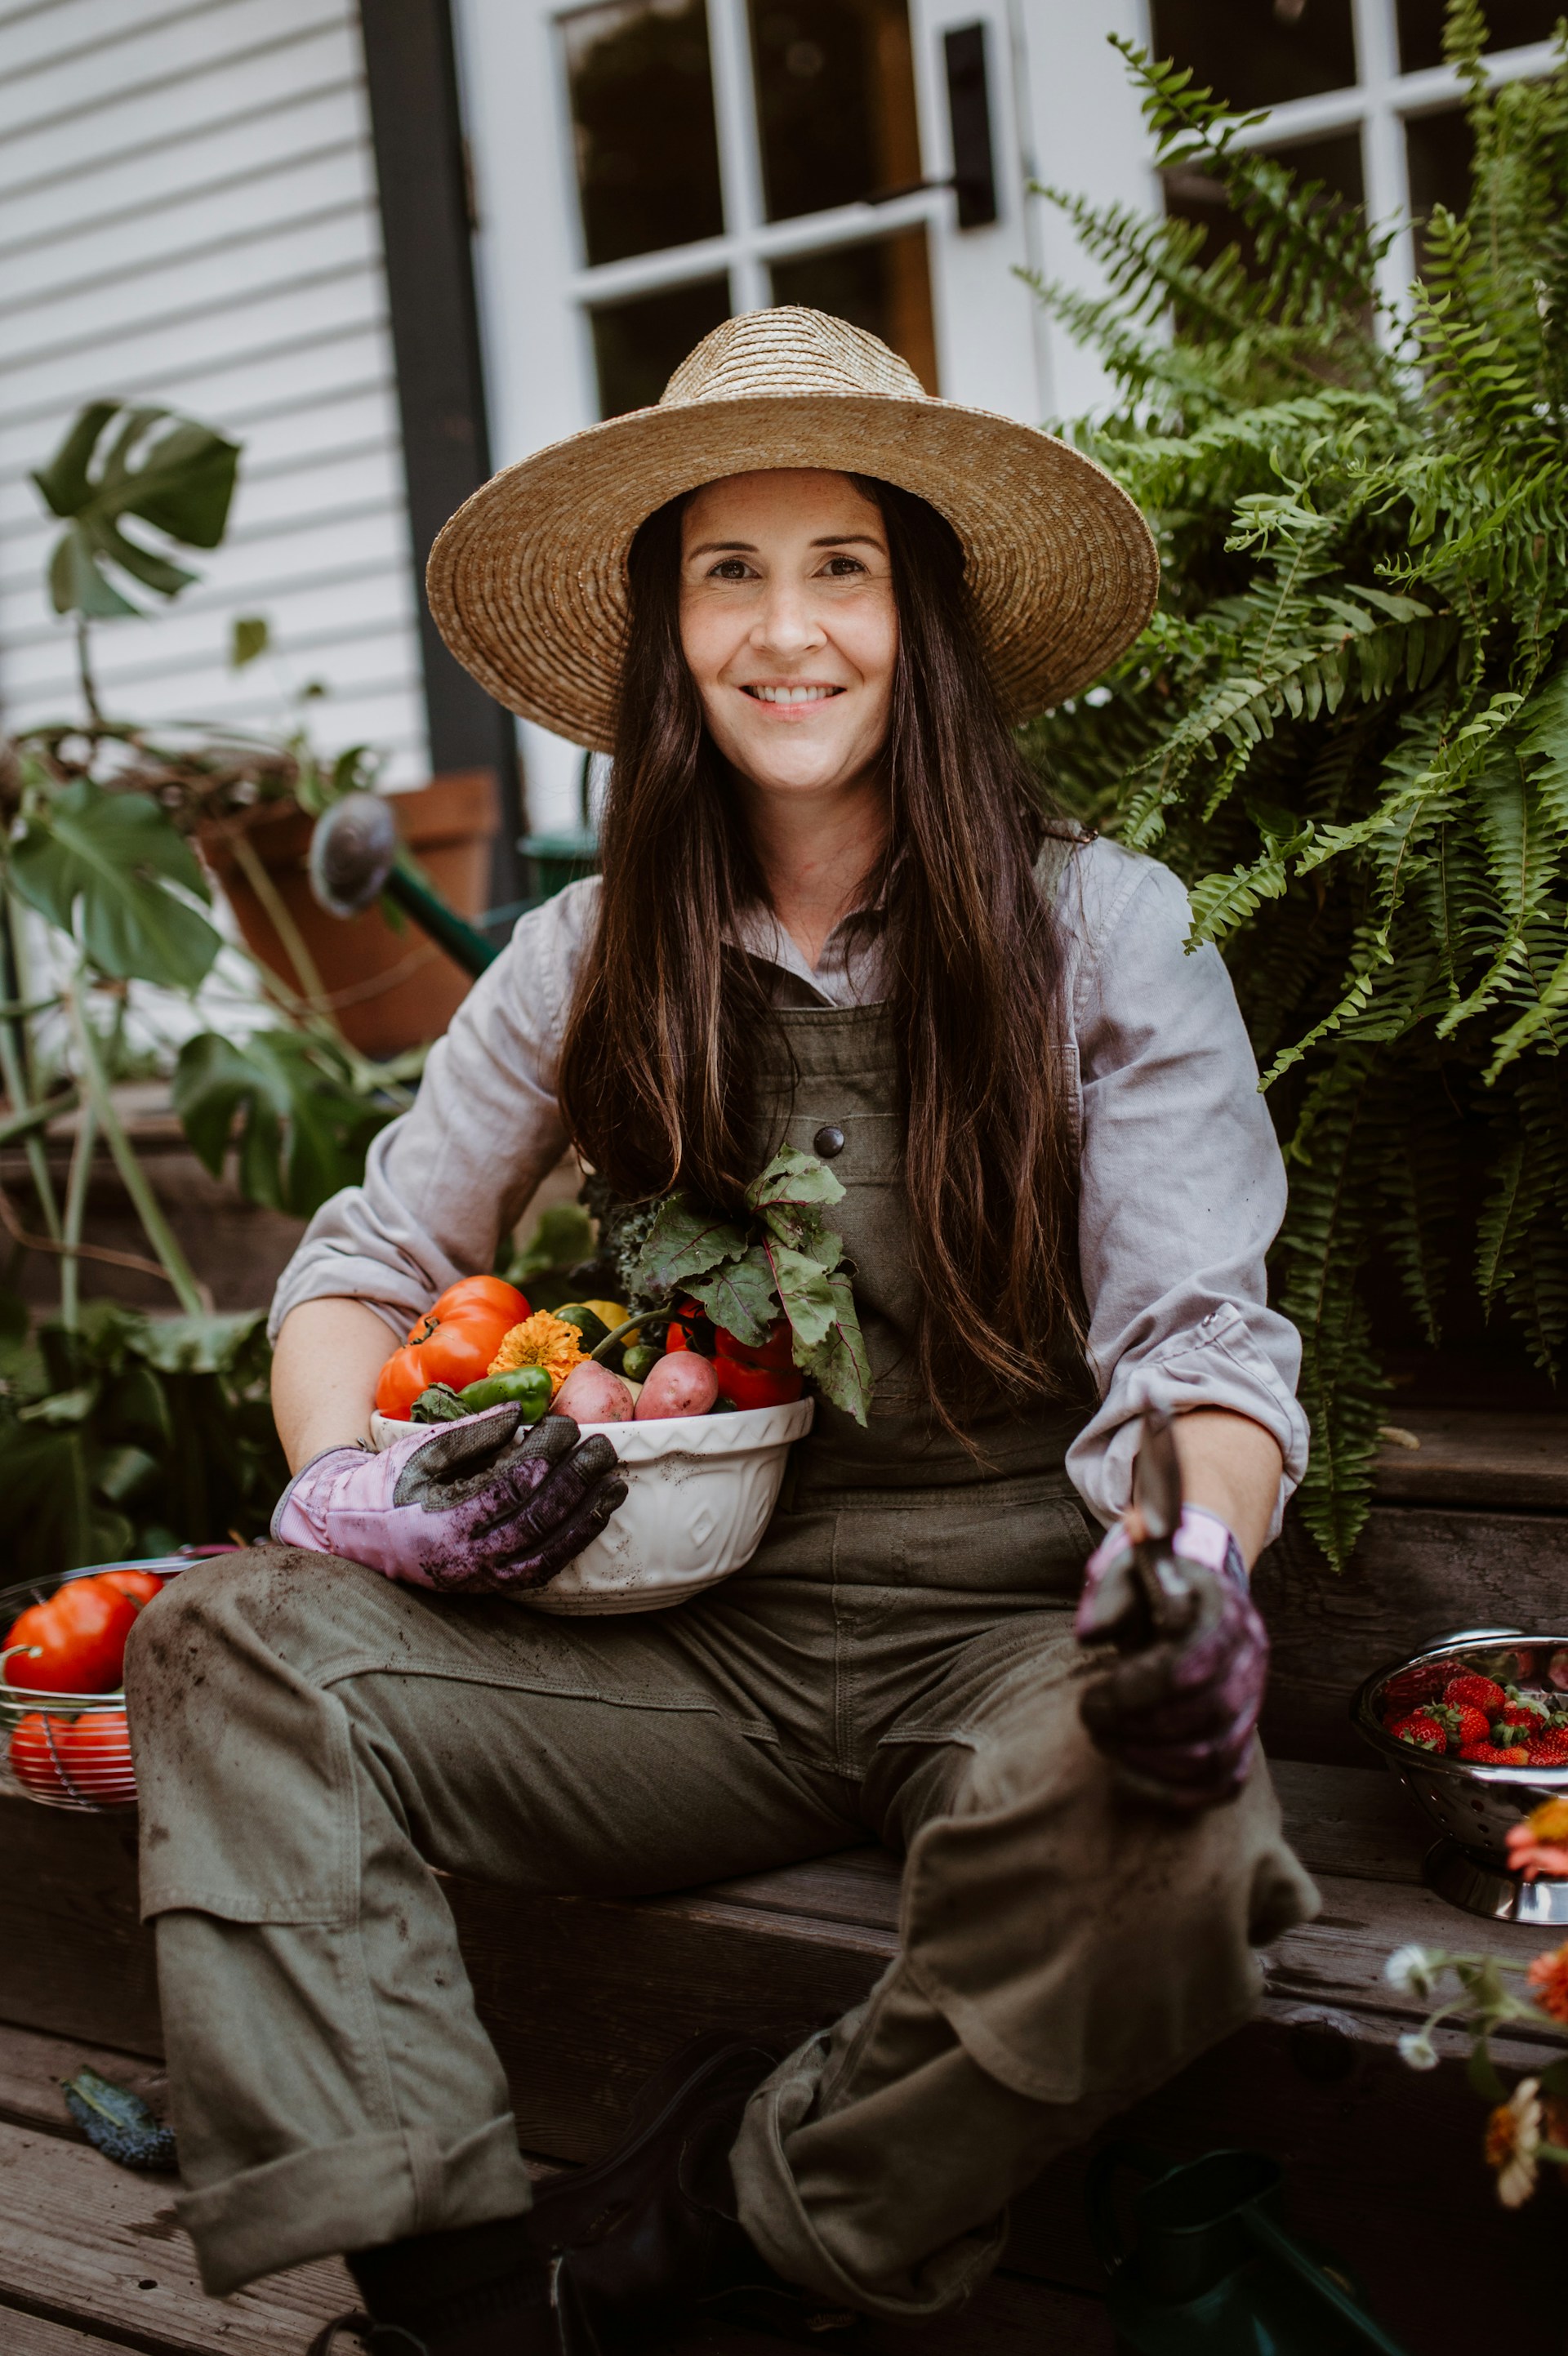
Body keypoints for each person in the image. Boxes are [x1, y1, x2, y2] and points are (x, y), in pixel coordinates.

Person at [125, 308, 1317, 2356]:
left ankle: (725, 2230)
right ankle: (468, 2301)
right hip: (687, 1653)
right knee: (226, 1645)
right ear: (669, 632)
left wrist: (1189, 1567)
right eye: (727, 570)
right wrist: (357, 1489)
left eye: (841, 564)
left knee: (1184, 1842)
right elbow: (365, 1258)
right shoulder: (589, 953)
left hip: (1021, 1642)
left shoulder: (1105, 933)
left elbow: (1205, 1345)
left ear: (919, 609)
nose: (789, 631)